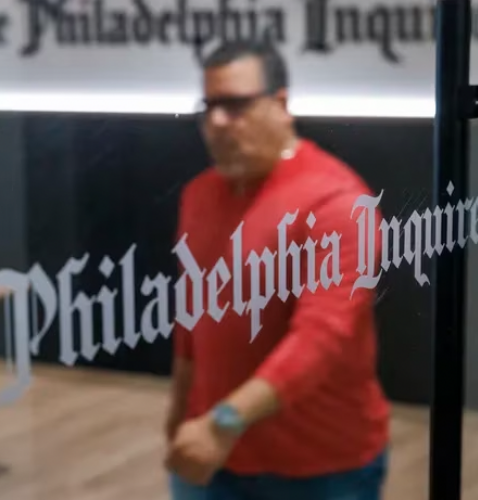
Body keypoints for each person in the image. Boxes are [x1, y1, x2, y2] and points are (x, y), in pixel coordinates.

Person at [164, 40, 391, 500]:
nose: (217, 123)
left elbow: (320, 338)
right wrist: (181, 413)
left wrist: (223, 420)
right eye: (208, 107)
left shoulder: (338, 202)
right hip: (217, 458)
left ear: (281, 104)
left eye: (236, 105)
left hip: (322, 468)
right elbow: (193, 322)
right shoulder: (199, 196)